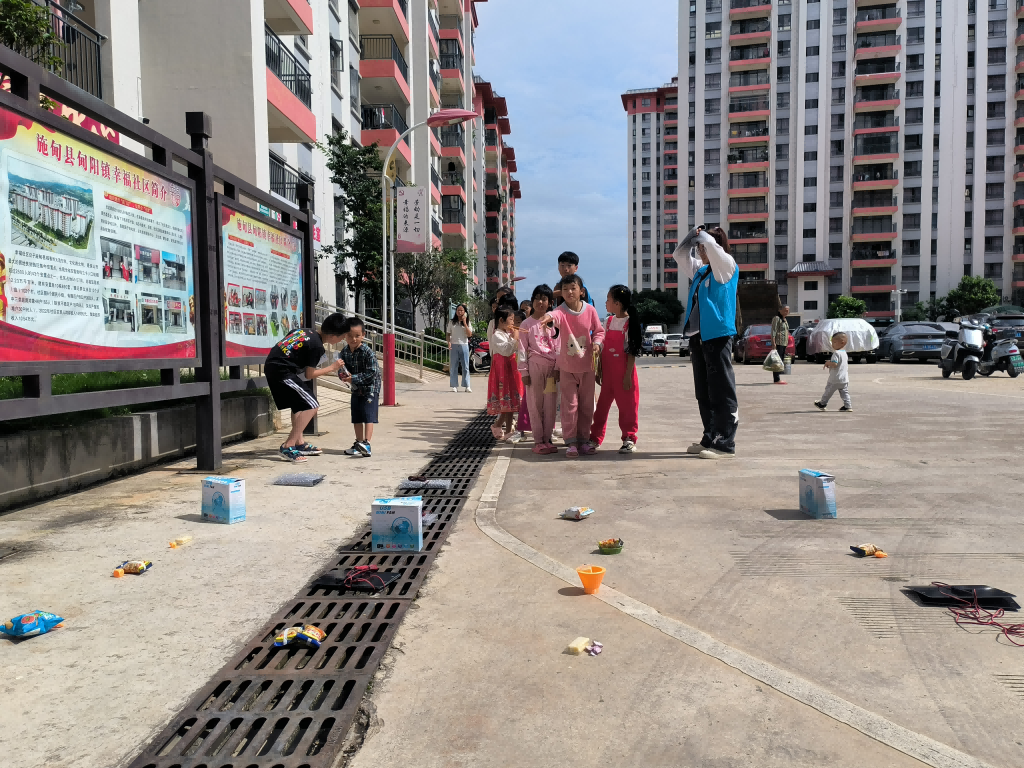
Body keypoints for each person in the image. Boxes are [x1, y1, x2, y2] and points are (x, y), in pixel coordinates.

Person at [677, 225, 739, 459]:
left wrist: (704, 236)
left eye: (704, 247)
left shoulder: (726, 266)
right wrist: (691, 236)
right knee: (704, 391)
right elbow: (679, 255)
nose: (702, 250)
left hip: (718, 334)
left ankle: (725, 442)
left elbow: (714, 249)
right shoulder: (701, 271)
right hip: (698, 336)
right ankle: (710, 435)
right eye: (700, 247)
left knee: (722, 389)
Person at [264, 312, 348, 462]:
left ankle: (299, 442)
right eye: (342, 337)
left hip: (276, 366)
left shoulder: (304, 331)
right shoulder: (317, 346)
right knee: (312, 405)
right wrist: (332, 368)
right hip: (282, 371)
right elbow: (310, 374)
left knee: (299, 405)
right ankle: (287, 446)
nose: (342, 340)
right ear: (334, 336)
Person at [538, 274, 604, 457]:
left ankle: (584, 440)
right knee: (570, 405)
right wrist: (547, 318)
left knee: (586, 406)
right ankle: (571, 442)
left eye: (573, 288)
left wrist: (597, 344)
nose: (569, 292)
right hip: (567, 367)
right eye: (565, 289)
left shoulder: (590, 310)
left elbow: (599, 331)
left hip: (588, 367)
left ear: (581, 291)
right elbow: (553, 316)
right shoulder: (560, 311)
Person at [588, 285, 641, 454]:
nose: (606, 303)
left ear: (617, 303)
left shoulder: (630, 323)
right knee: (601, 409)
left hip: (625, 375)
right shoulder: (608, 322)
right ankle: (595, 438)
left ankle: (629, 439)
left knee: (628, 409)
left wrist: (627, 376)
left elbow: (631, 352)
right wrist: (599, 370)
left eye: (608, 300)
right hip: (608, 376)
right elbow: (602, 347)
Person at [519, 285, 560, 454]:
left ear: (550, 303)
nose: (540, 302)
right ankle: (538, 441)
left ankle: (547, 439)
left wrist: (558, 367)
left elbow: (559, 347)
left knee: (550, 405)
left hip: (551, 370)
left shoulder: (554, 323)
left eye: (544, 299)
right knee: (535, 405)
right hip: (534, 367)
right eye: (537, 298)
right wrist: (524, 372)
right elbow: (521, 349)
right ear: (533, 300)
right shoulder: (526, 324)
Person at [339, 317, 383, 456]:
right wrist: (343, 376)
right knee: (356, 416)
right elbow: (341, 368)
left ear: (363, 335)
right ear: (345, 336)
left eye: (357, 336)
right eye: (350, 336)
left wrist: (354, 378)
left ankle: (366, 444)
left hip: (370, 388)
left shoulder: (367, 352)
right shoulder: (344, 352)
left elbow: (372, 373)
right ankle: (358, 443)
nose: (354, 339)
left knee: (368, 416)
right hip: (356, 389)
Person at [487, 306, 523, 441]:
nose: (513, 323)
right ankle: (501, 427)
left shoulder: (507, 333)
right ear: (501, 321)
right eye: (511, 319)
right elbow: (507, 351)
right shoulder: (496, 335)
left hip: (511, 371)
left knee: (511, 403)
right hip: (503, 373)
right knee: (506, 403)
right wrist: (515, 338)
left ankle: (505, 430)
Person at [814, 332, 852, 412]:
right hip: (844, 379)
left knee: (828, 391)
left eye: (834, 342)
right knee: (844, 392)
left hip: (835, 378)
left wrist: (828, 363)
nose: (832, 345)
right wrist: (830, 362)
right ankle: (848, 406)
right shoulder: (844, 353)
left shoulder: (836, 353)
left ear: (842, 343)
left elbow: (834, 364)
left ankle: (822, 403)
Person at [447, 303, 472, 393]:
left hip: (464, 345)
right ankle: (454, 385)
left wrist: (465, 323)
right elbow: (448, 333)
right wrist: (449, 342)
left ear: (465, 312)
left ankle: (467, 385)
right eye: (458, 310)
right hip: (454, 345)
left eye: (461, 310)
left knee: (465, 366)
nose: (460, 312)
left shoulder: (468, 322)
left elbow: (469, 334)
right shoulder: (451, 322)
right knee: (454, 366)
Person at [771, 304, 791, 385]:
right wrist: (773, 344)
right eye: (785, 310)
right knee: (777, 362)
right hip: (778, 343)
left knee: (781, 361)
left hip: (784, 343)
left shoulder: (785, 319)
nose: (787, 312)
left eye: (788, 310)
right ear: (780, 310)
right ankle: (776, 379)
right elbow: (773, 331)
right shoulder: (776, 318)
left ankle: (778, 377)